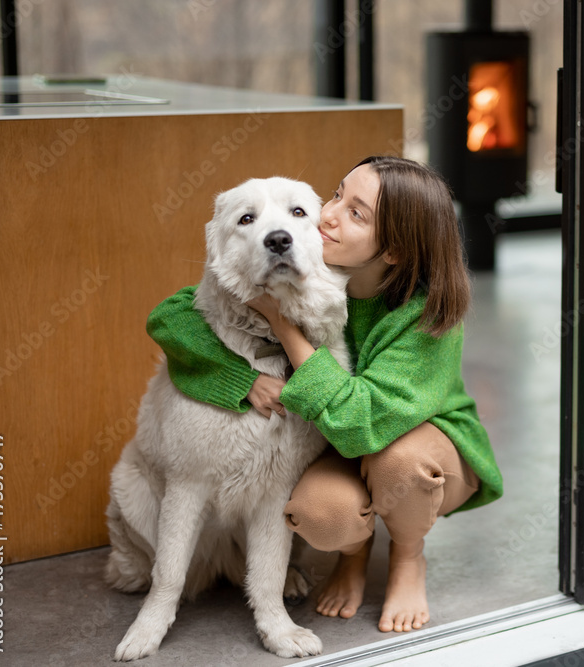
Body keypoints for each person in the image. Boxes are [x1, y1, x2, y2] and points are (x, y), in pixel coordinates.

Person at [145, 155, 502, 633]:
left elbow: (362, 423)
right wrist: (241, 378)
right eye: (336, 195)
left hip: (421, 446)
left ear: (392, 250)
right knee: (319, 514)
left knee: (398, 463)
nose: (329, 215)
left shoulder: (425, 318)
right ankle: (352, 557)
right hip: (347, 445)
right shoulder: (318, 272)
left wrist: (280, 323)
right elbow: (174, 315)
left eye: (356, 214)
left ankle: (407, 557)